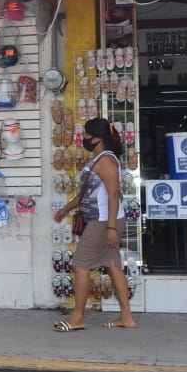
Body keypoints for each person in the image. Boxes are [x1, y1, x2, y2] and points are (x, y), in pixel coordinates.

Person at [51, 117, 137, 332]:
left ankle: (77, 317)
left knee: (81, 264)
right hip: (104, 220)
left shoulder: (106, 160)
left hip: (103, 222)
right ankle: (126, 317)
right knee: (113, 266)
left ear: (99, 138)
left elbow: (114, 194)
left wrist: (109, 228)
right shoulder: (98, 158)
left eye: (88, 134)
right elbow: (86, 193)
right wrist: (65, 209)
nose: (85, 138)